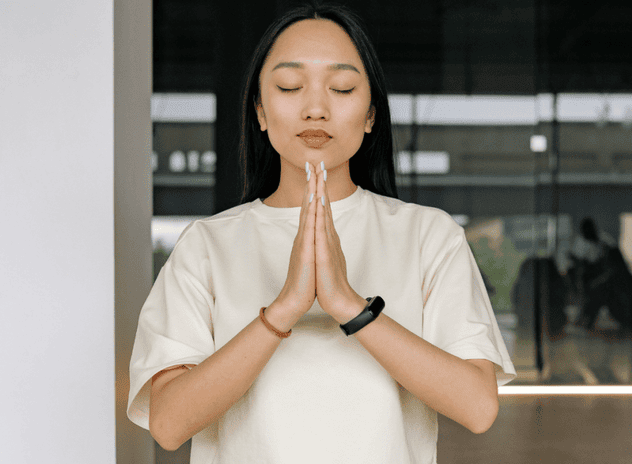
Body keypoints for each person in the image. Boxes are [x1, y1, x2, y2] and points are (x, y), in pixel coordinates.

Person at [127, 3, 515, 463]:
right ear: (260, 111)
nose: (315, 108)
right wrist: (285, 308)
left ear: (371, 115)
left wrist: (348, 305)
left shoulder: (428, 235)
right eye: (290, 86)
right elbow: (168, 424)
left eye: (342, 87)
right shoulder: (206, 245)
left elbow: (477, 406)